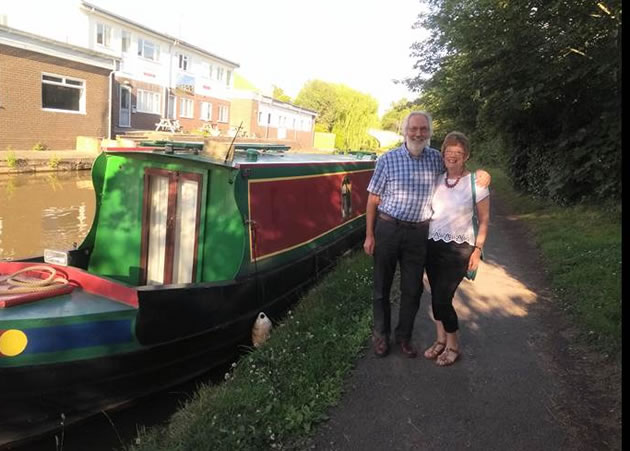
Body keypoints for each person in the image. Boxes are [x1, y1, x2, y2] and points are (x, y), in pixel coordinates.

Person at [364, 112, 489, 358]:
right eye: (414, 129)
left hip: (419, 234)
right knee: (382, 288)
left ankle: (404, 337)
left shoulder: (435, 159)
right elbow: (373, 198)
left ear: (429, 133)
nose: (418, 133)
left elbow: (458, 167)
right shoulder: (387, 159)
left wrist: (483, 174)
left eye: (423, 129)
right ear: (405, 131)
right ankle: (381, 336)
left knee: (413, 290)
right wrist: (369, 234)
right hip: (388, 228)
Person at [423, 131, 490, 366]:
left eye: (458, 153)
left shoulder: (477, 183)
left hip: (460, 248)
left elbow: (484, 220)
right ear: (443, 154)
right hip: (432, 245)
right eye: (449, 152)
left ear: (466, 155)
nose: (452, 156)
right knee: (435, 295)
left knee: (443, 298)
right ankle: (440, 339)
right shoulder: (437, 180)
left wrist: (478, 250)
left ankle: (453, 345)